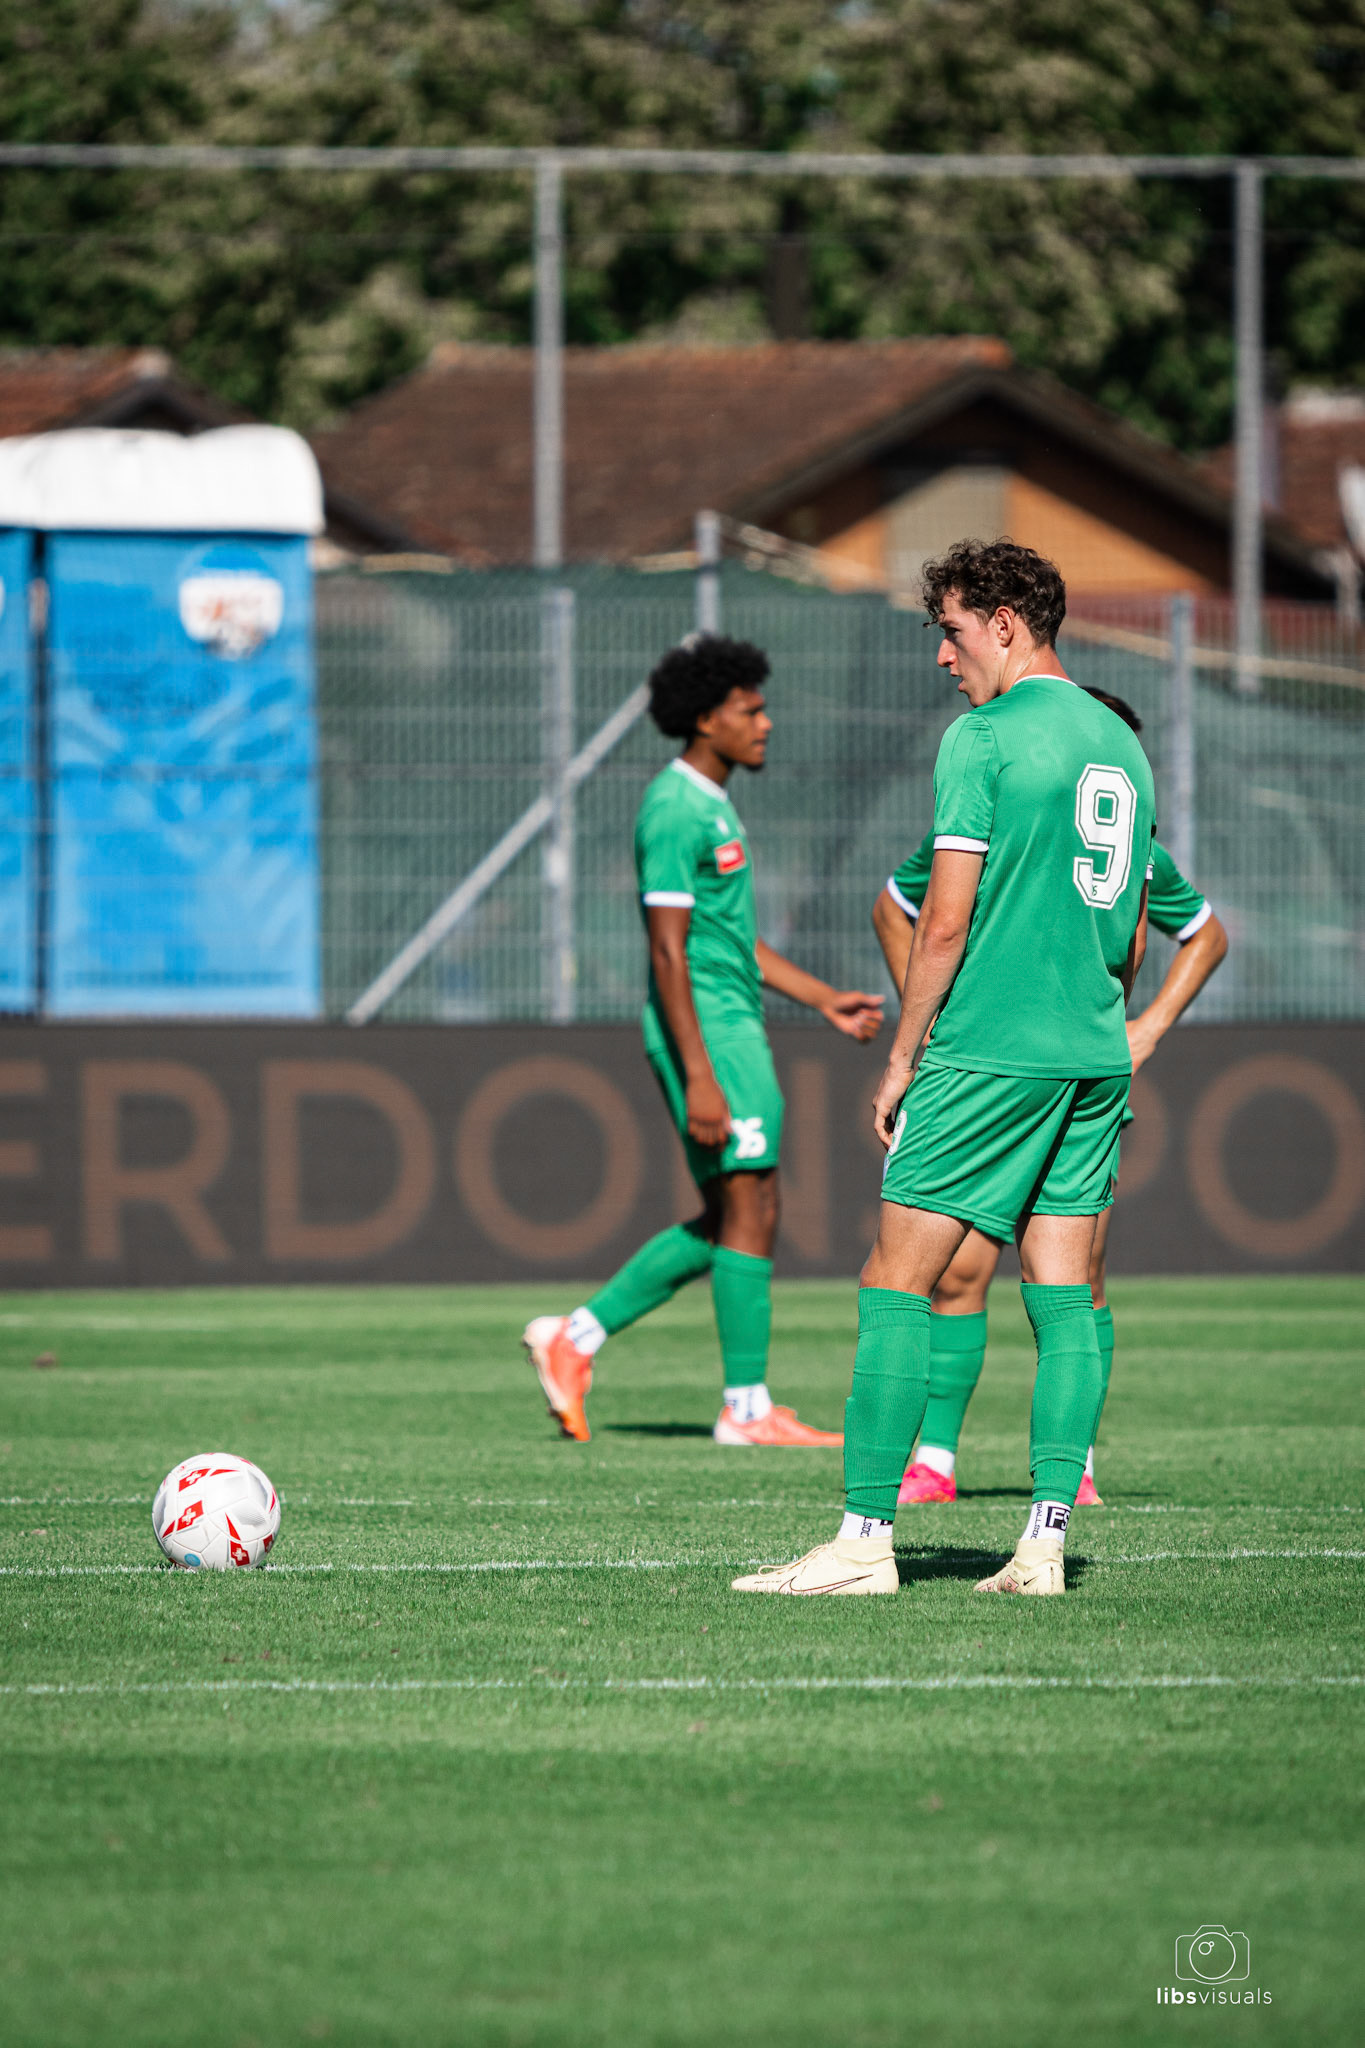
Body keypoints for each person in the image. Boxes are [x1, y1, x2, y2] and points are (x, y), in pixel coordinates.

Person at [733, 538, 1153, 1598]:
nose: (943, 656)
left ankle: (864, 1542)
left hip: (992, 1052)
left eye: (953, 630)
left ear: (1006, 622)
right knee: (1065, 1301)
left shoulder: (984, 737)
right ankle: (1045, 1544)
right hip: (1093, 1053)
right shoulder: (1121, 740)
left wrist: (904, 1060)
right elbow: (1135, 933)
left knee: (894, 1284)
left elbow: (944, 918)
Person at [523, 633, 883, 1446]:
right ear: (703, 719)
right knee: (749, 1201)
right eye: (747, 711)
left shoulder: (715, 804)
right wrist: (699, 1074)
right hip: (707, 1035)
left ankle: (573, 1339)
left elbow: (731, 940)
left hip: (731, 1024)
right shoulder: (674, 807)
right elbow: (666, 949)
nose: (764, 723)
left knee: (737, 1212)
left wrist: (823, 999)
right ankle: (745, 1410)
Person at [873, 689, 1228, 1507]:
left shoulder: (1132, 839)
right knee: (960, 1271)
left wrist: (1147, 1030)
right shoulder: (1002, 807)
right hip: (998, 1060)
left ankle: (1071, 1469)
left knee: (1074, 1276)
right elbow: (900, 909)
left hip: (1070, 1065)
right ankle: (936, 1459)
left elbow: (1203, 933)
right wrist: (929, 1024)